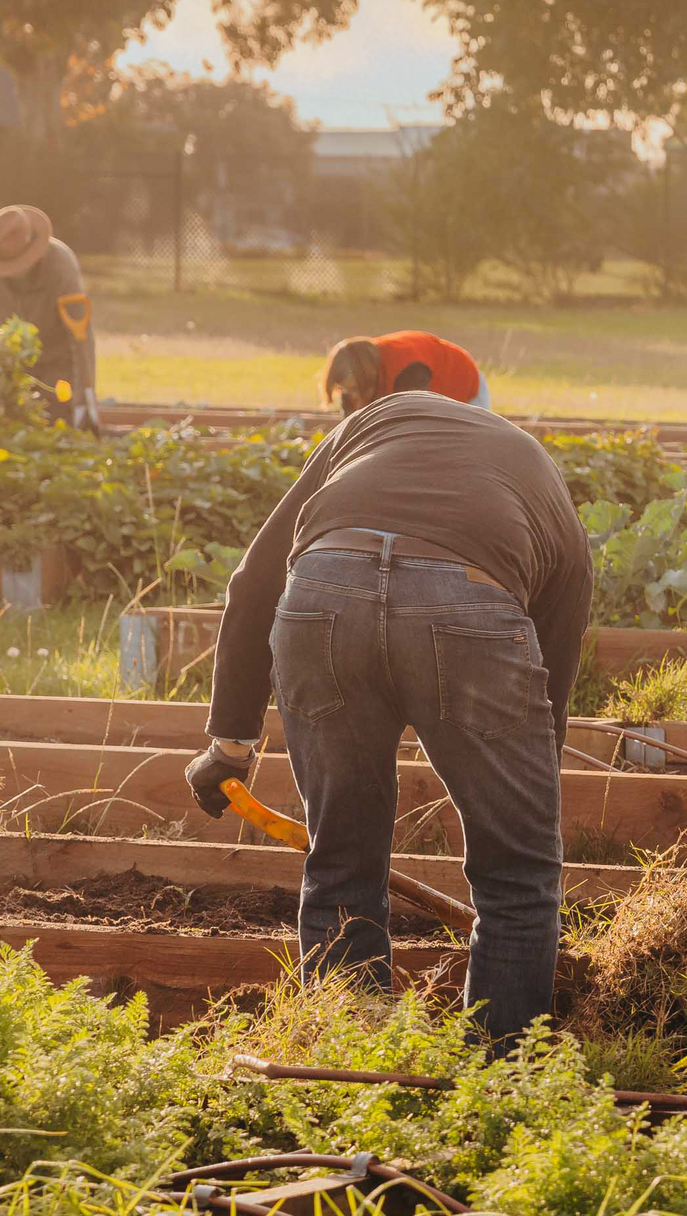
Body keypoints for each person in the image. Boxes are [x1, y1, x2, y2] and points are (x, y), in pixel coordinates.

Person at [183, 392, 592, 1049]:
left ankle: (352, 1070)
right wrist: (525, 803)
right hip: (468, 603)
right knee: (517, 877)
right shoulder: (550, 500)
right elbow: (551, 688)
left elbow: (255, 580)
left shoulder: (375, 421)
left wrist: (230, 745)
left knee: (341, 862)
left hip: (323, 589)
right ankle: (496, 1090)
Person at [0, 203, 99, 431]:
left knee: (58, 426)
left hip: (58, 369)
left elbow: (80, 337)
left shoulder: (61, 265)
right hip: (12, 368)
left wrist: (83, 402)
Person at [321, 331, 488, 414]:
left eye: (356, 389)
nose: (353, 396)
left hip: (463, 386)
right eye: (347, 389)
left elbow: (413, 425)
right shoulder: (354, 386)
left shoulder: (408, 371)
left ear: (369, 375)